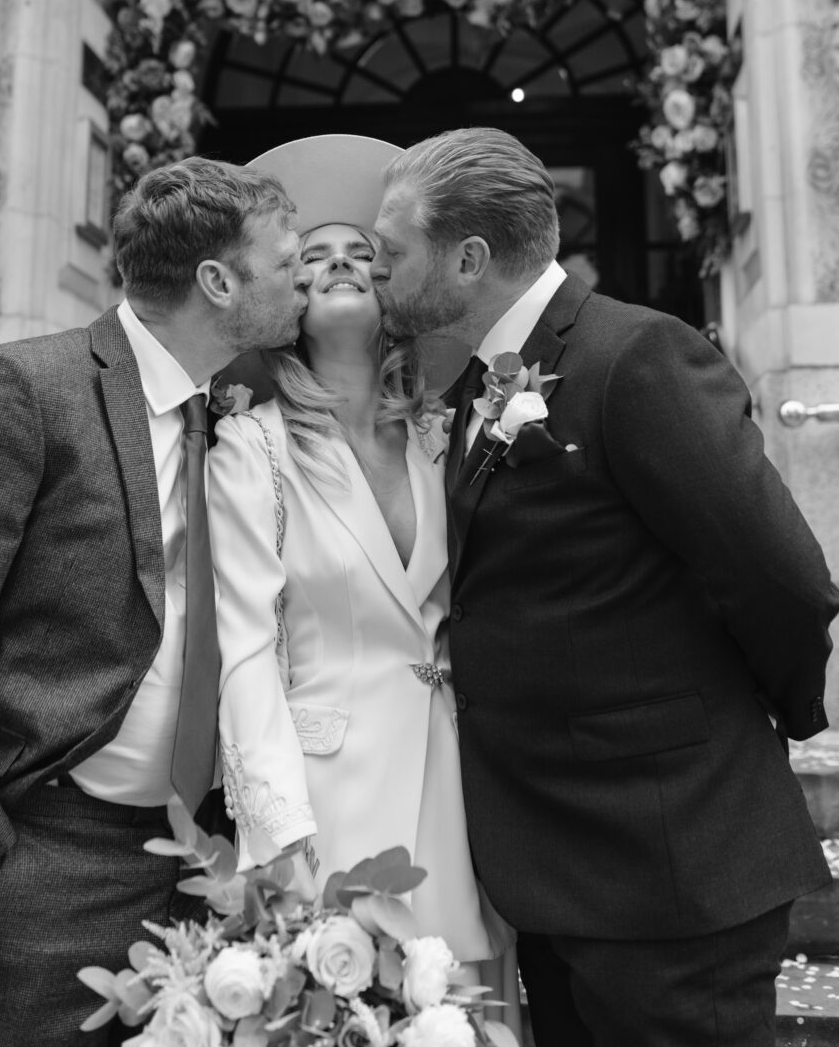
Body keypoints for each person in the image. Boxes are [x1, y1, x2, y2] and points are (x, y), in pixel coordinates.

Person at [369, 126, 839, 1047]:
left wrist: (762, 718)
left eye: (390, 253)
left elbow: (781, 577)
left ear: (467, 259)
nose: (376, 273)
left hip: (671, 861)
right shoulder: (477, 382)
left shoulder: (637, 356)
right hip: (556, 864)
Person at [0, 157, 312, 1047]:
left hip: (203, 862)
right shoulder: (25, 389)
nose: (307, 282)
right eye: (288, 264)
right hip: (46, 857)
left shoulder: (237, 415)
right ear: (217, 280)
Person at [206, 134, 517, 1019]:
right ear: (291, 295)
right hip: (327, 805)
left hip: (460, 792)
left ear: (391, 294)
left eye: (364, 254)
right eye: (314, 255)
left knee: (462, 1015)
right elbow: (245, 646)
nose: (341, 263)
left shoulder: (440, 438)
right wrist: (277, 834)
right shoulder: (252, 448)